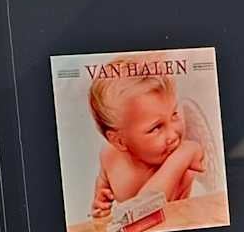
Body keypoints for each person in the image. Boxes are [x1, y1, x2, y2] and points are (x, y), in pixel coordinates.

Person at [86, 59, 208, 219]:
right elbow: (104, 182)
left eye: (174, 114)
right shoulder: (109, 156)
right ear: (119, 141)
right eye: (156, 128)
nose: (173, 136)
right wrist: (101, 201)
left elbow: (145, 208)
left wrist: (182, 156)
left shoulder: (182, 154)